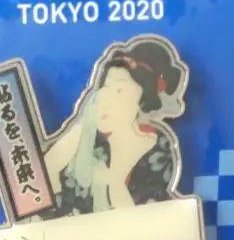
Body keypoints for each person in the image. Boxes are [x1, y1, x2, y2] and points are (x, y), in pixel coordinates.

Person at [43, 37, 188, 216]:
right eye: (105, 88)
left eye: (119, 90)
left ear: (143, 100)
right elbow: (37, 192)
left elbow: (147, 221)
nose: (105, 99)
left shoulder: (158, 152)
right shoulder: (85, 139)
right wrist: (76, 135)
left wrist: (114, 182)